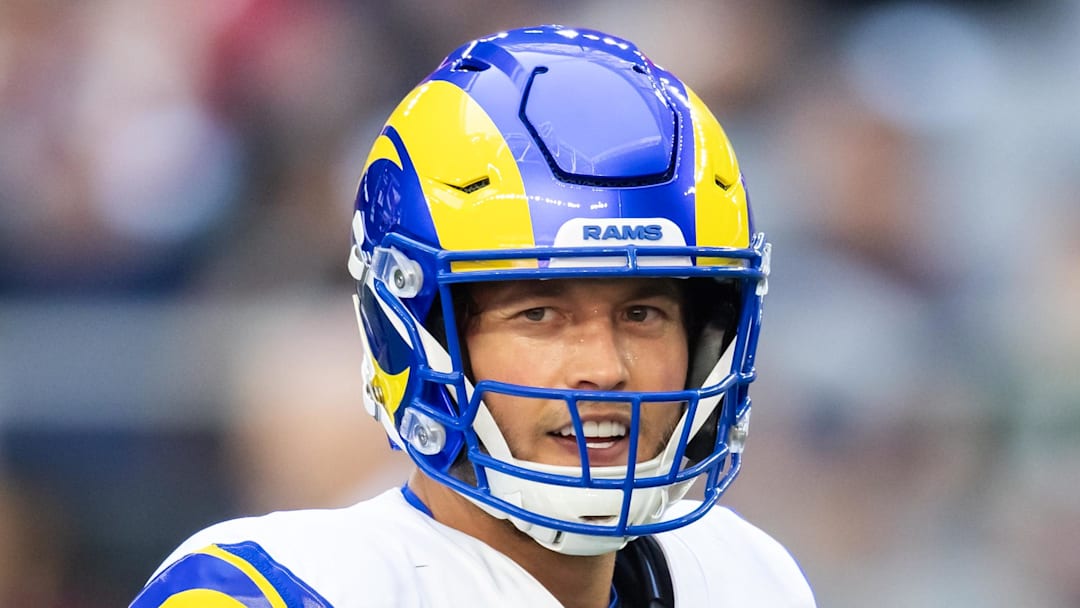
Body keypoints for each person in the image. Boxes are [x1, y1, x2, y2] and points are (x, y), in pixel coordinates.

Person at [130, 25, 815, 608]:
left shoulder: (747, 579)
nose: (604, 368)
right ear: (414, 332)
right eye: (540, 314)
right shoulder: (283, 589)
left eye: (641, 313)